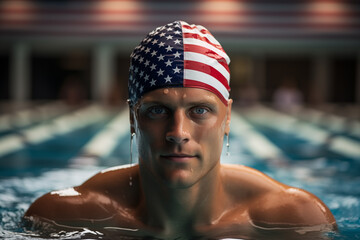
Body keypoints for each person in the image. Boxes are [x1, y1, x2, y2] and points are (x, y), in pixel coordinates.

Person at [24, 21, 336, 239]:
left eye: (200, 110)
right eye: (158, 110)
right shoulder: (63, 215)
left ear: (227, 118)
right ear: (133, 119)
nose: (178, 132)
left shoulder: (293, 219)